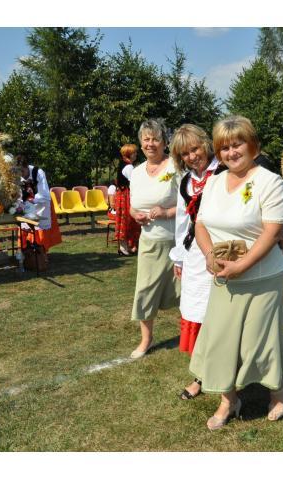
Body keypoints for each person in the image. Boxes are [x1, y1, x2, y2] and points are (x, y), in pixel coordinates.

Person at [189, 116, 283, 430]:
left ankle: (279, 388)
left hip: (262, 278)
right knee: (221, 340)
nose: (231, 152)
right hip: (224, 277)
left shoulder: (270, 182)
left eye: (237, 145)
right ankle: (229, 400)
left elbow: (272, 232)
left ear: (252, 146)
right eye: (224, 147)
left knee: (257, 343)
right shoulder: (215, 182)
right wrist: (209, 255)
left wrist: (242, 266)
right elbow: (201, 224)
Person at [168, 124, 223, 400]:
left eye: (195, 149)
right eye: (185, 153)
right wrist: (179, 256)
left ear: (205, 144)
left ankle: (226, 376)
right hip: (194, 255)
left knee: (220, 315)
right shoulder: (185, 181)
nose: (191, 156)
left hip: (221, 251)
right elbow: (182, 221)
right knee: (196, 311)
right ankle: (200, 375)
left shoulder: (224, 172)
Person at [128, 119, 180, 359]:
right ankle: (146, 340)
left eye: (155, 139)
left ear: (164, 142)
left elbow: (191, 203)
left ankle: (193, 335)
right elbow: (132, 206)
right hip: (149, 242)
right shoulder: (137, 172)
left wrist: (167, 213)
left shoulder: (176, 167)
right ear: (141, 143)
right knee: (145, 291)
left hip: (177, 242)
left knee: (184, 292)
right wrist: (135, 215)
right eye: (146, 139)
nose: (150, 144)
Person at [18, 155, 62, 255]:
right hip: (26, 206)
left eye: (22, 171)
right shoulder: (17, 175)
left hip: (42, 205)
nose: (20, 174)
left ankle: (41, 254)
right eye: (18, 172)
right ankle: (28, 252)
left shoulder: (38, 172)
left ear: (26, 167)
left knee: (40, 230)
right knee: (25, 227)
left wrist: (32, 200)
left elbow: (45, 194)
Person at [114, 144, 140, 255]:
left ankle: (127, 246)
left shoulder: (124, 164)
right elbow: (134, 182)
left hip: (122, 194)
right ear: (129, 154)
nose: (136, 154)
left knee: (125, 220)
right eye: (134, 153)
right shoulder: (128, 167)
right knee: (127, 220)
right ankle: (124, 247)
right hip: (125, 195)